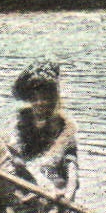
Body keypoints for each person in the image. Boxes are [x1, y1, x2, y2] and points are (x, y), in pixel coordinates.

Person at [7, 59, 79, 193]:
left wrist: (67, 188)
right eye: (35, 98)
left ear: (52, 99)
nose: (39, 103)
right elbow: (13, 147)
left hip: (51, 178)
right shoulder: (20, 120)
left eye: (44, 98)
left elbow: (62, 162)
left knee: (54, 177)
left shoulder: (64, 125)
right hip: (24, 177)